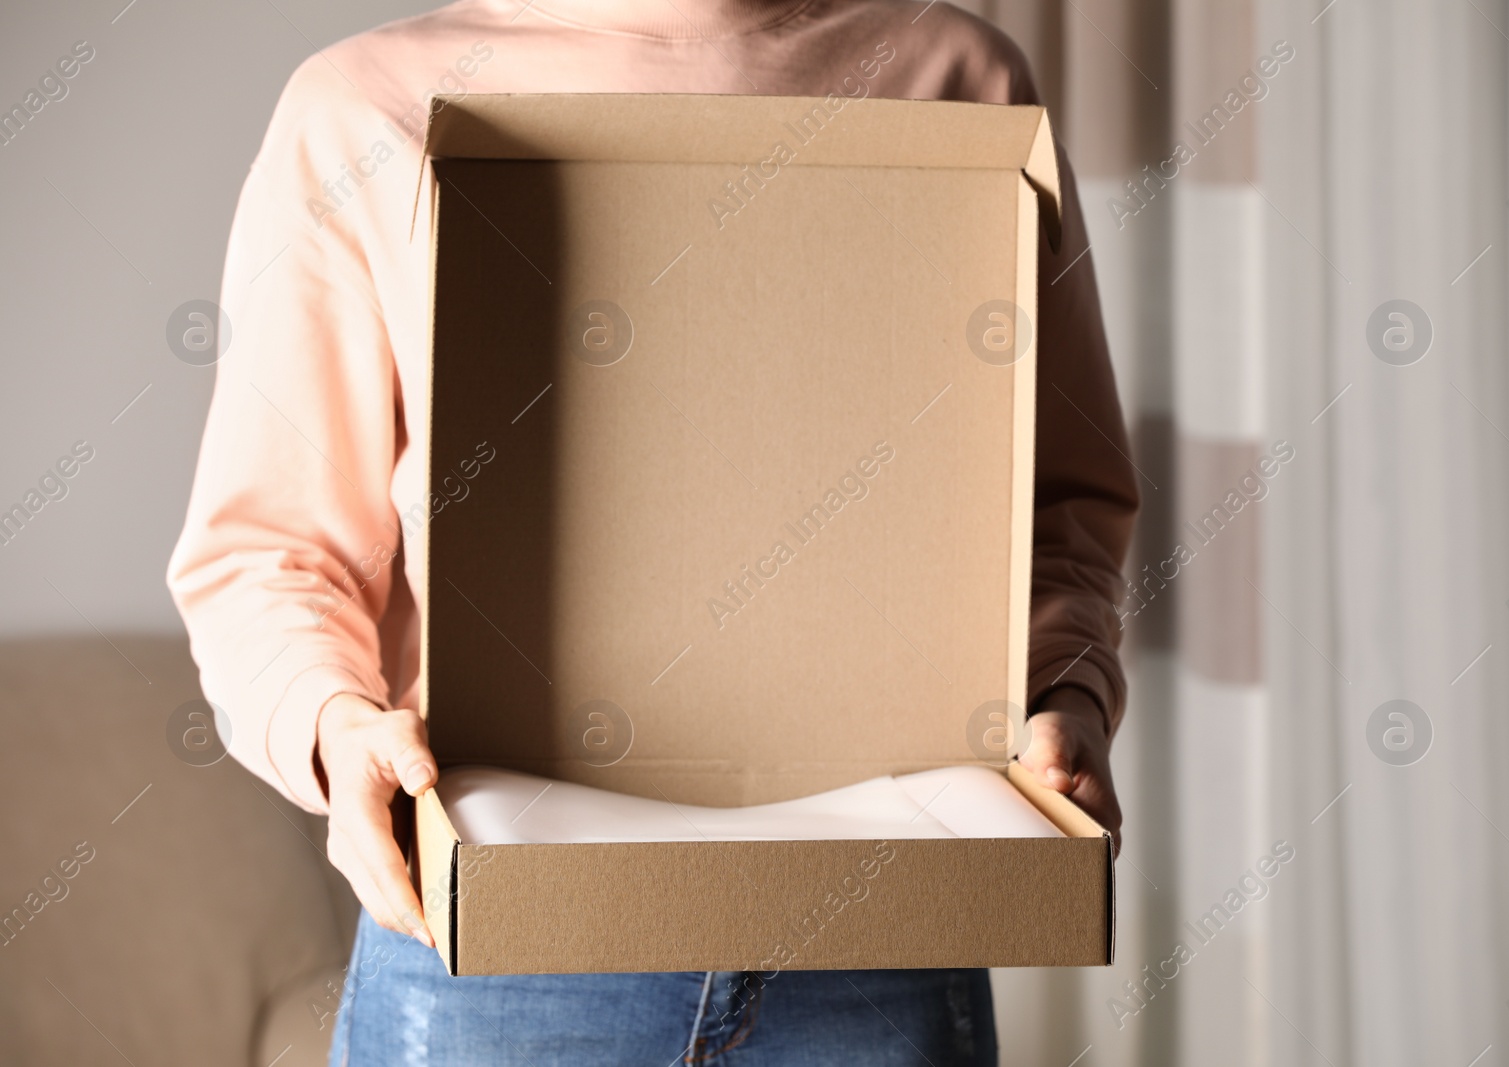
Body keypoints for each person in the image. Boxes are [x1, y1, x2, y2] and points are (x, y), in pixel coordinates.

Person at [167, 0, 1138, 1062]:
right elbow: (269, 551)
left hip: (886, 914)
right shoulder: (361, 106)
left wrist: (1065, 693)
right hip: (503, 940)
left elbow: (1055, 506)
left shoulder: (956, 72)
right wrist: (333, 722)